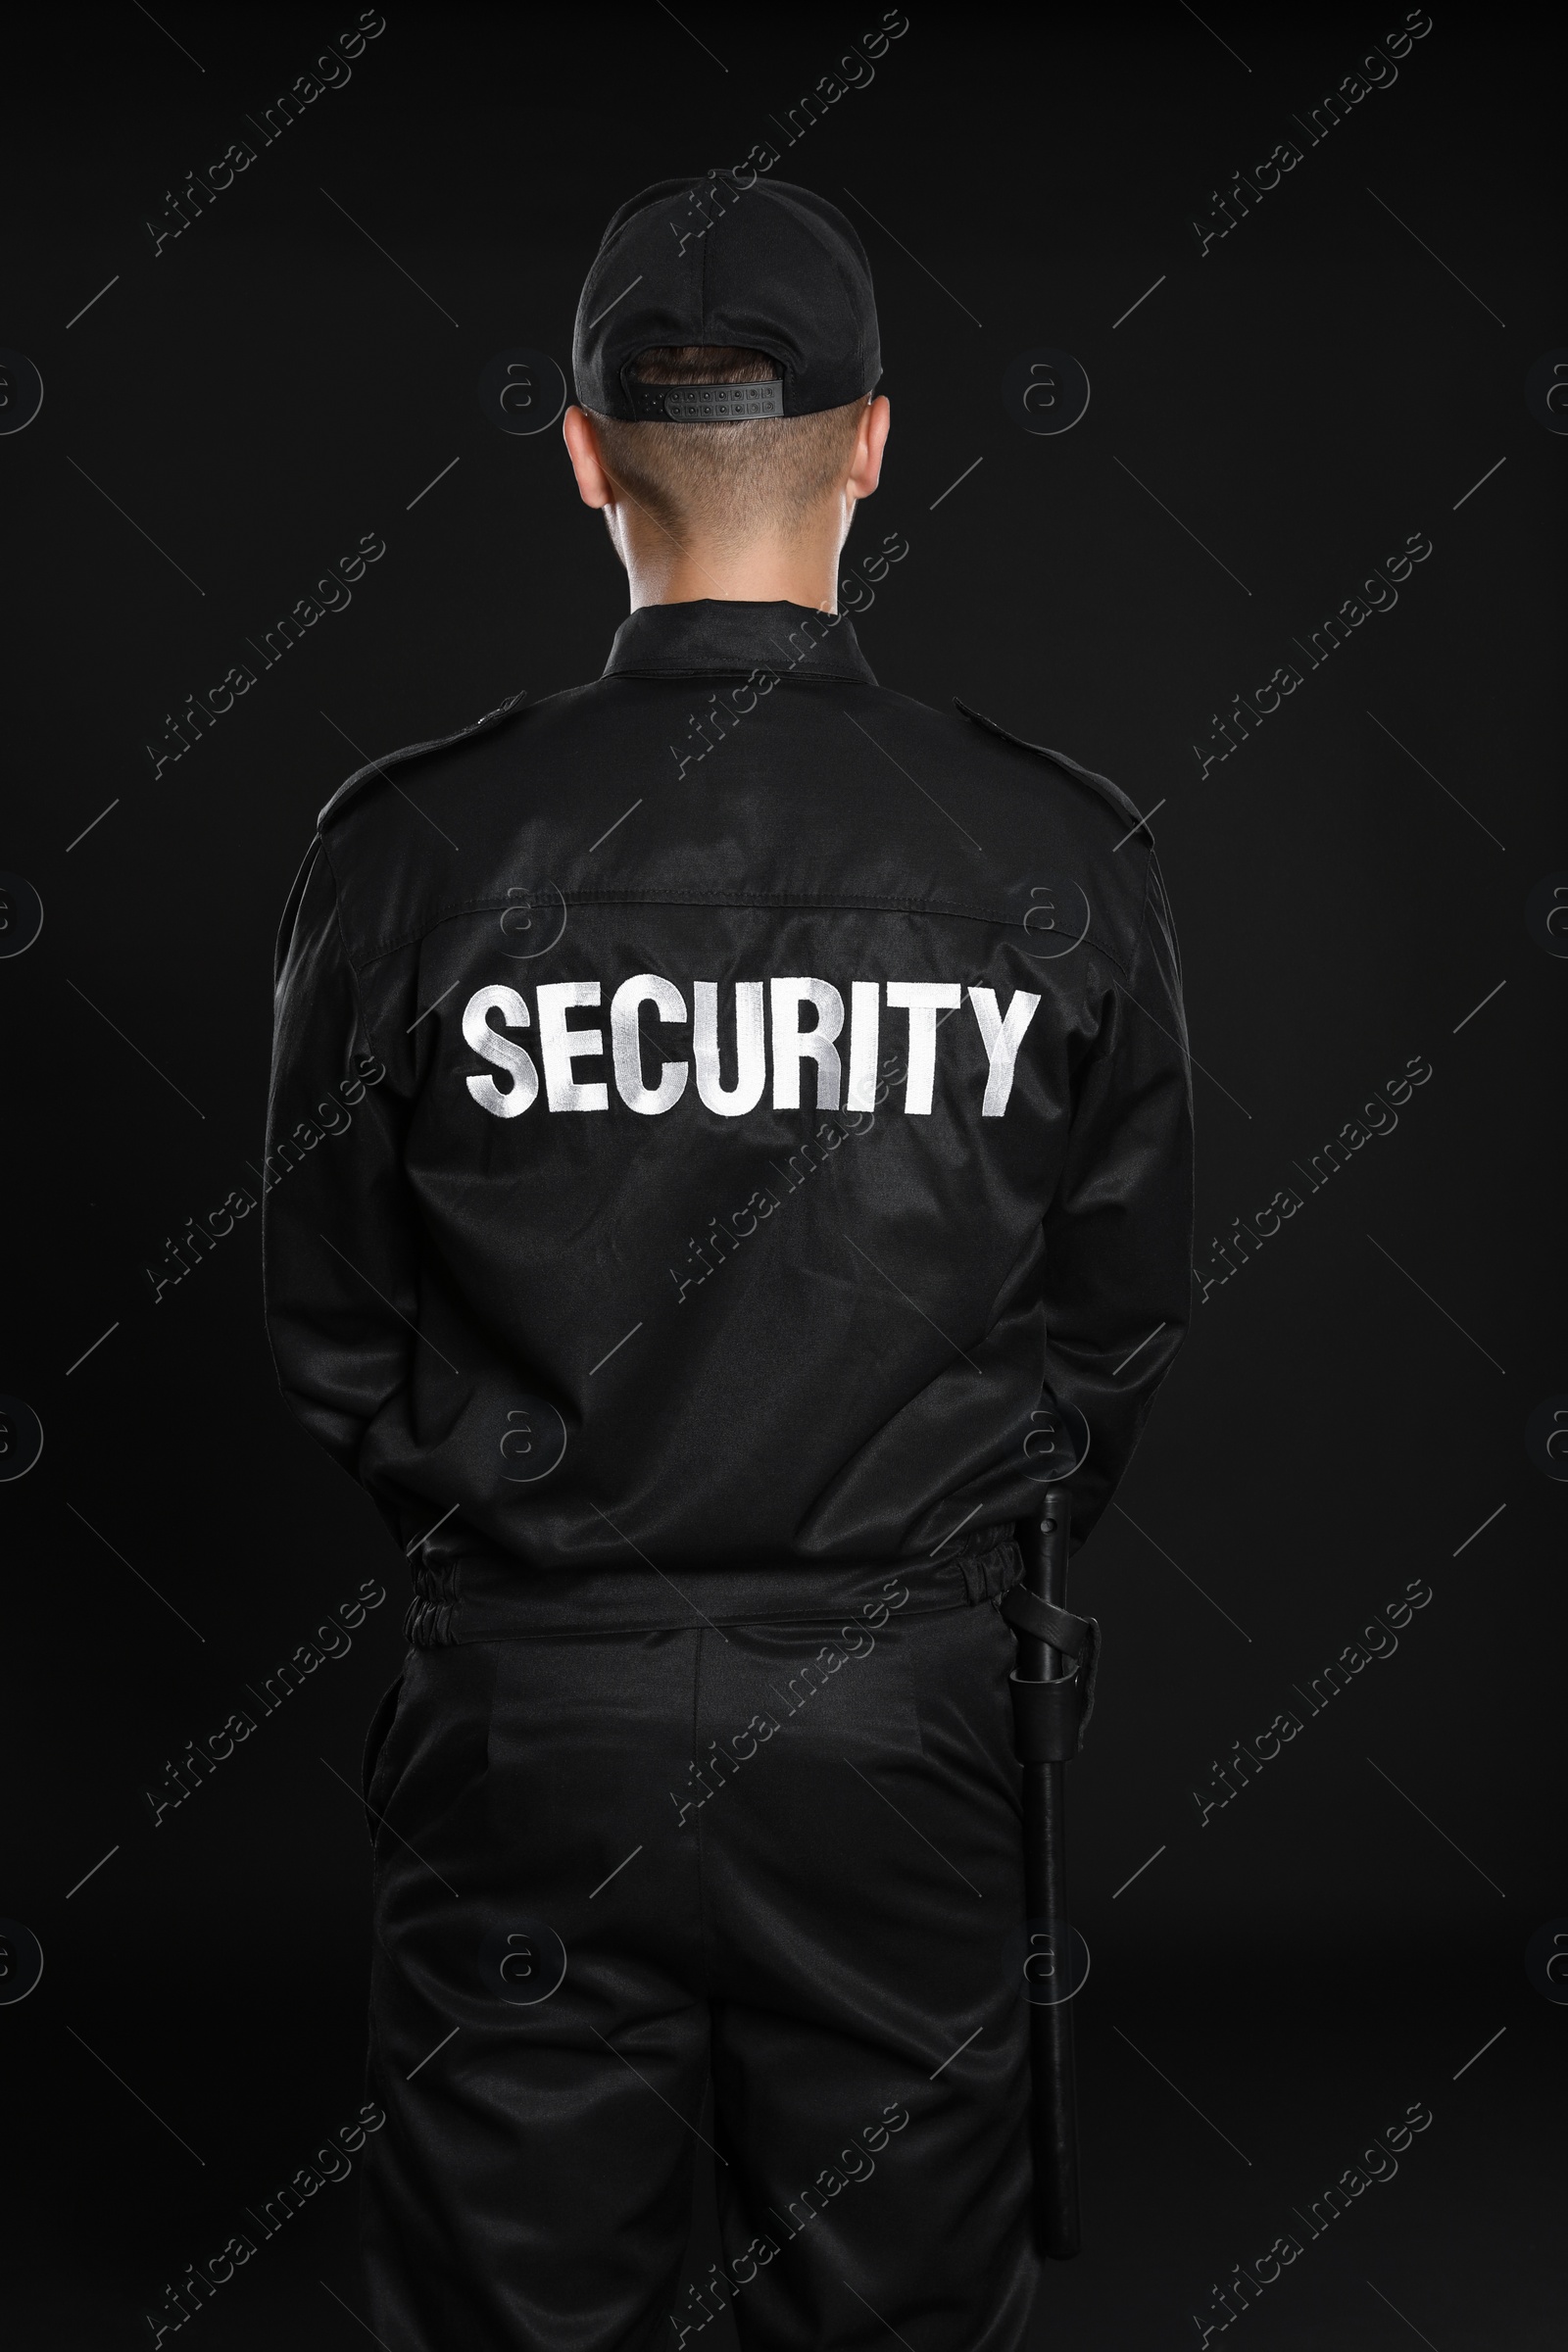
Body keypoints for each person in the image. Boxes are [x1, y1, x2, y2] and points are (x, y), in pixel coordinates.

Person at [263, 170, 1194, 2352]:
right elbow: (1114, 1320)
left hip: (524, 1712)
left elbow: (328, 1325)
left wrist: (532, 1559)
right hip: (897, 1728)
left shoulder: (405, 848)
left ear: (581, 455)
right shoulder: (1062, 855)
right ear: (877, 441)